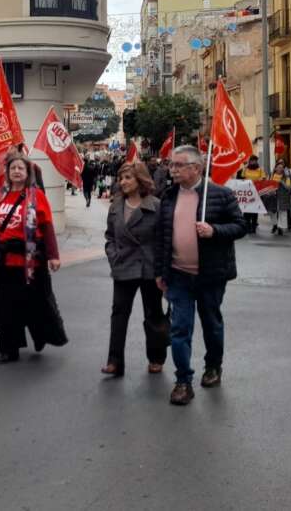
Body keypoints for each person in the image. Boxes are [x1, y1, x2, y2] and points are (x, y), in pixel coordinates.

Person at [154, 146, 245, 406]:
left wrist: (214, 230)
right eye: (172, 165)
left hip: (211, 275)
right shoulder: (168, 196)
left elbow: (240, 226)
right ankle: (183, 381)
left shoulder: (221, 194)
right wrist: (160, 272)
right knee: (180, 329)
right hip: (178, 275)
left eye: (179, 165)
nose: (173, 170)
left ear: (196, 168)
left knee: (211, 324)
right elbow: (162, 237)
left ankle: (213, 367)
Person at [0, 154, 66, 363]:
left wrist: (54, 256)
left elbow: (46, 227)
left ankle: (40, 335)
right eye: (13, 168)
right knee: (5, 307)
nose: (17, 171)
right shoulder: (0, 194)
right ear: (7, 173)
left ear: (28, 173)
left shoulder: (36, 196)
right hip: (4, 262)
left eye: (21, 168)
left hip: (30, 263)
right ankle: (9, 348)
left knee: (34, 304)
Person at [102, 162, 167, 376]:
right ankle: (114, 361)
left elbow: (163, 241)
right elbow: (110, 236)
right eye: (121, 178)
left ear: (140, 179)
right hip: (123, 266)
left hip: (149, 268)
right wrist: (113, 255)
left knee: (154, 314)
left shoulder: (156, 206)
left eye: (128, 177)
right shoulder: (116, 206)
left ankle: (156, 358)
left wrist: (162, 270)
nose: (123, 182)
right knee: (119, 314)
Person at [240, 156, 266, 234]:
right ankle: (246, 226)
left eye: (255, 161)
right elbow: (241, 178)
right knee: (247, 210)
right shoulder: (245, 169)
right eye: (252, 161)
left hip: (256, 192)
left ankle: (254, 226)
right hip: (247, 192)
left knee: (255, 210)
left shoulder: (260, 170)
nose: (253, 162)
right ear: (249, 161)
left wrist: (258, 181)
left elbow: (263, 178)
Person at [267, 160, 291, 236]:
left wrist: (282, 182)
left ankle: (281, 228)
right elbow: (268, 185)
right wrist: (270, 191)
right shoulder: (272, 176)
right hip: (273, 196)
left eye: (282, 168)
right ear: (275, 168)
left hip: (283, 197)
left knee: (282, 212)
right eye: (278, 167)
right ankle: (275, 225)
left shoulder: (286, 177)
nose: (280, 169)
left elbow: (288, 188)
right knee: (272, 212)